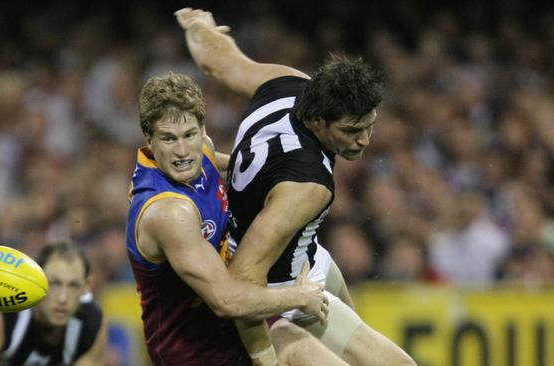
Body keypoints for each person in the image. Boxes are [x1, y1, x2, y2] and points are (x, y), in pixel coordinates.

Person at [176, 8, 417, 366]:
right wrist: (264, 359)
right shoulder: (307, 186)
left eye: (370, 125)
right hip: (277, 295)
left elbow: (218, 60)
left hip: (303, 256)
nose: (365, 140)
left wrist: (198, 26)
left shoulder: (288, 84)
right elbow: (244, 277)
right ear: (319, 121)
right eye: (352, 131)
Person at [127, 71, 348, 365]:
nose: (182, 151)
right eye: (168, 139)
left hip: (235, 330)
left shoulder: (201, 152)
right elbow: (225, 300)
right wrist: (299, 297)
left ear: (202, 129)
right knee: (299, 346)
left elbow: (244, 169)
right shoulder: (168, 213)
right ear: (149, 139)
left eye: (189, 135)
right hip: (195, 355)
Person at [0, 242, 107, 366]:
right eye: (54, 284)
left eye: (73, 285)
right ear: (35, 281)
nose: (62, 298)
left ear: (86, 287)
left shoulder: (91, 324)